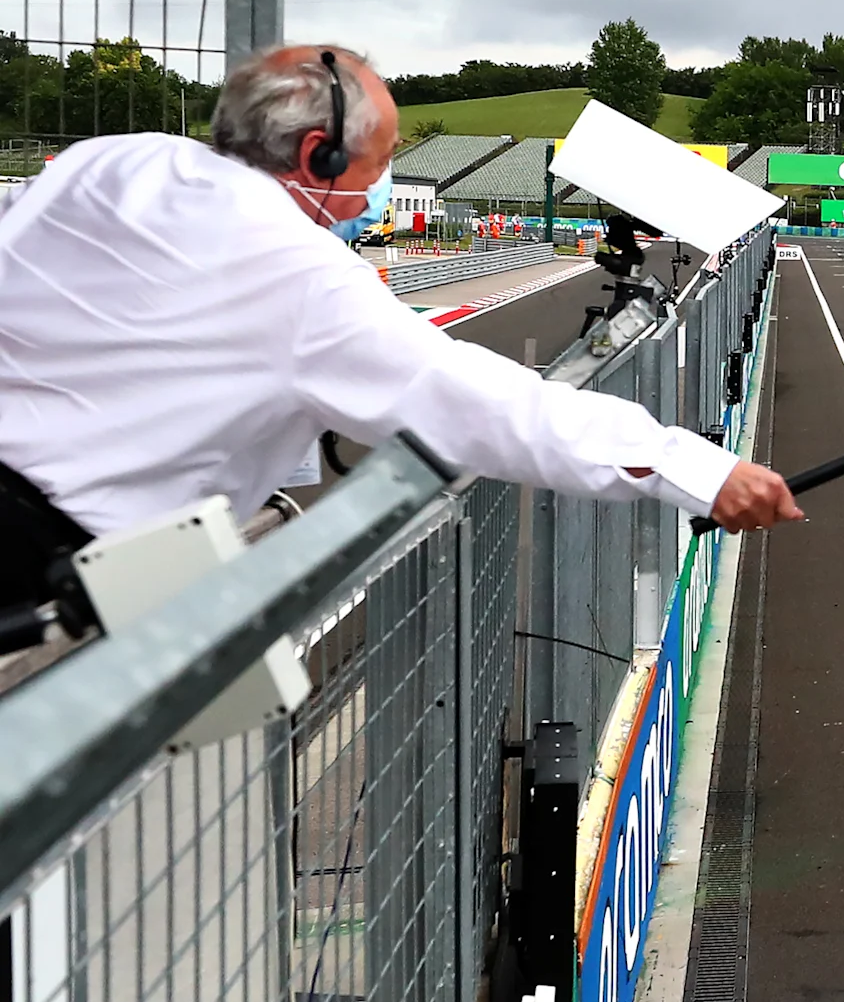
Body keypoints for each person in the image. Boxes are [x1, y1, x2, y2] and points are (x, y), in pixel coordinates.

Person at [0, 44, 800, 611]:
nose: (380, 188)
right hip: (43, 555)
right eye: (377, 166)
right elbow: (483, 403)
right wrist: (690, 467)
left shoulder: (117, 159)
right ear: (317, 157)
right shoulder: (298, 273)